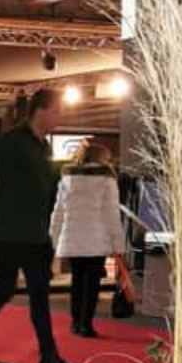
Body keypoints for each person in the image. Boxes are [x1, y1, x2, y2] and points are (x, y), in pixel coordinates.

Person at [0, 88, 76, 363]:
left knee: (39, 295)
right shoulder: (11, 142)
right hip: (8, 235)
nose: (59, 117)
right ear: (41, 110)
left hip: (36, 236)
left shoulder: (44, 147)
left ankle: (49, 357)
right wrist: (6, 206)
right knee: (4, 290)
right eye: (57, 111)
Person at [49, 140, 126, 338]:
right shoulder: (106, 181)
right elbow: (112, 214)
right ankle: (86, 324)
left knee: (77, 281)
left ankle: (75, 322)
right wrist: (118, 244)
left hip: (72, 237)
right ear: (101, 159)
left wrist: (54, 238)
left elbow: (58, 212)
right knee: (92, 283)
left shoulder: (67, 179)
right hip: (96, 238)